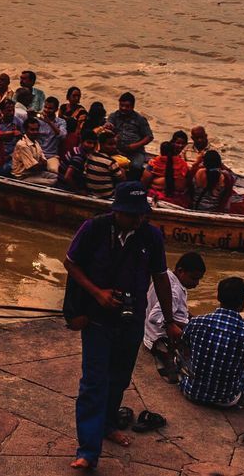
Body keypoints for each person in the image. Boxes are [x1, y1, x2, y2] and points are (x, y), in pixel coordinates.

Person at [65, 181, 178, 471]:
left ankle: (108, 424)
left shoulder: (151, 236)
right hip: (98, 318)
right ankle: (88, 450)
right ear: (117, 211)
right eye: (131, 214)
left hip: (132, 319)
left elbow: (160, 277)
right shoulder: (94, 229)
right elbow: (70, 263)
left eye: (141, 214)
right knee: (93, 382)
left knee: (119, 378)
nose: (137, 219)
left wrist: (170, 320)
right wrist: (97, 293)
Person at [180, 277, 244, 407]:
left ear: (218, 297)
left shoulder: (196, 322)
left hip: (191, 391)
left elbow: (184, 349)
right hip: (226, 399)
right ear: (243, 303)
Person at [144, 251, 205, 348]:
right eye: (193, 278)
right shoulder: (174, 290)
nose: (197, 283)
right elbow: (155, 317)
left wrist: (193, 320)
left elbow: (176, 308)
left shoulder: (166, 276)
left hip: (149, 332)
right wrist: (182, 326)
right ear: (180, 271)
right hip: (159, 338)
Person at [107, 93, 153, 174]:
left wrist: (135, 145)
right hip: (116, 150)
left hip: (135, 151)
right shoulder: (114, 116)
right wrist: (108, 126)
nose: (123, 108)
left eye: (127, 106)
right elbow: (108, 125)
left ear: (132, 106)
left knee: (135, 166)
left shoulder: (140, 119)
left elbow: (149, 136)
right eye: (121, 105)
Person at [142, 141, 190, 207]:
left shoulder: (154, 162)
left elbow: (144, 182)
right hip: (178, 202)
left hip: (155, 198)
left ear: (161, 151)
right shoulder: (183, 164)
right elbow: (186, 183)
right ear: (174, 151)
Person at [83, 128, 125, 199]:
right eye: (110, 144)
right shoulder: (111, 162)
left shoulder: (91, 155)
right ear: (101, 145)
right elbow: (121, 178)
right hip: (107, 194)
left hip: (91, 192)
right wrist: (122, 171)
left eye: (115, 144)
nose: (114, 147)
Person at [37, 95, 67, 173]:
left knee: (54, 171)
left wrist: (49, 123)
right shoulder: (38, 120)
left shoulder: (61, 122)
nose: (47, 110)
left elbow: (63, 136)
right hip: (37, 153)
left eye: (50, 108)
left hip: (51, 156)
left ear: (56, 109)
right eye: (45, 107)